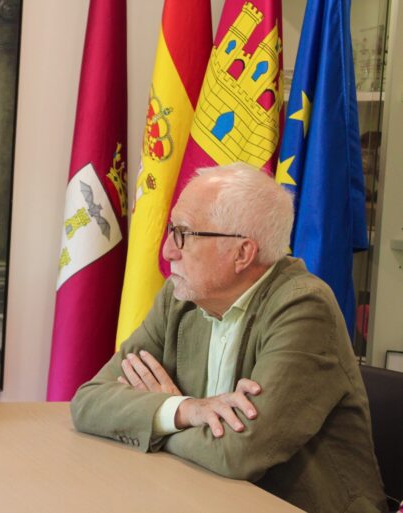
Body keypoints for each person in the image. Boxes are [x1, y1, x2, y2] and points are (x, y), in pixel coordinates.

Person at [71, 163, 386, 513]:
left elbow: (238, 453)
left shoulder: (303, 306)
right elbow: (90, 400)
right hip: (198, 495)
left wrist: (152, 423)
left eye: (183, 234)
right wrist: (184, 410)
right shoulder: (179, 298)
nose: (167, 251)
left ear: (242, 253)